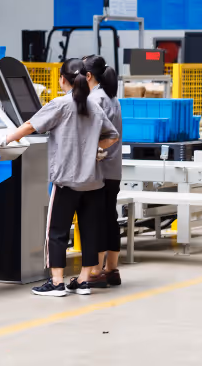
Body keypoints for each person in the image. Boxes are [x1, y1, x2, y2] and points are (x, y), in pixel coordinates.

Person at [0, 59, 119, 297]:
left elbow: (29, 125)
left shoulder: (60, 104)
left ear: (62, 79)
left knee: (56, 230)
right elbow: (112, 136)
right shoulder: (94, 106)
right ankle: (85, 280)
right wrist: (95, 150)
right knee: (89, 230)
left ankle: (57, 282)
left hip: (66, 181)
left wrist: (5, 138)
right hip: (93, 182)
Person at [82, 55, 123, 288]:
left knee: (96, 219)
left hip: (100, 168)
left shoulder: (95, 98)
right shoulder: (112, 98)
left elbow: (92, 133)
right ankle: (111, 269)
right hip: (113, 168)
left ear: (88, 76)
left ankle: (96, 271)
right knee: (110, 218)